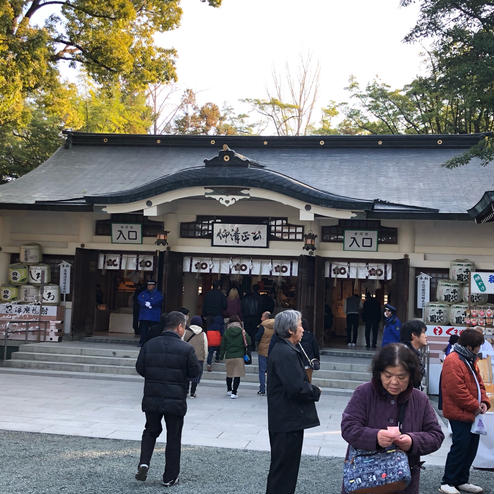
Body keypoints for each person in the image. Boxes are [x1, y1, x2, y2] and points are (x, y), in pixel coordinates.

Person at [341, 343, 444, 494]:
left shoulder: (420, 399)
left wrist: (412, 441)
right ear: (379, 373)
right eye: (388, 376)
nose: (394, 382)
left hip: (402, 484)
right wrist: (375, 437)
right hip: (364, 482)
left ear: (411, 375)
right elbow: (348, 427)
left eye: (401, 377)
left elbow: (436, 435)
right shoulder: (364, 393)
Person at [135, 311, 201, 487]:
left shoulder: (149, 345)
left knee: (150, 430)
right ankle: (169, 476)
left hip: (152, 395)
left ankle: (144, 462)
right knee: (173, 436)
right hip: (175, 398)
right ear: (179, 327)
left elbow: (140, 368)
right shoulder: (186, 349)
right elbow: (195, 372)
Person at [266, 310, 321, 494]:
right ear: (290, 330)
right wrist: (314, 391)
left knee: (285, 469)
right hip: (286, 420)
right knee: (283, 470)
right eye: (299, 325)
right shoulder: (285, 352)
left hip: (286, 419)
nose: (303, 329)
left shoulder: (285, 349)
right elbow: (296, 387)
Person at [439, 329, 490, 494]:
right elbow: (456, 390)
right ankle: (448, 481)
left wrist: (484, 401)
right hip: (459, 412)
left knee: (471, 447)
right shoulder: (453, 360)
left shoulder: (469, 359)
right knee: (460, 446)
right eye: (477, 347)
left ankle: (461, 480)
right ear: (469, 346)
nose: (479, 350)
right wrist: (476, 405)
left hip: (472, 411)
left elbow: (479, 382)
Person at [219, 315, 251, 399]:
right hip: (239, 356)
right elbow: (249, 341)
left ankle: (229, 390)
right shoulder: (242, 331)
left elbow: (223, 345)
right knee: (237, 374)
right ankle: (234, 392)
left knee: (229, 374)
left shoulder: (227, 332)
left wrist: (221, 355)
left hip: (229, 355)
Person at [184, 316, 208, 398]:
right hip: (199, 358)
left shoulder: (185, 332)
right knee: (196, 375)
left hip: (186, 357)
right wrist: (205, 357)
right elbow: (205, 347)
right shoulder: (203, 334)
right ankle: (192, 393)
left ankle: (186, 390)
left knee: (186, 374)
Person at [400, 319, 427, 386]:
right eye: (423, 333)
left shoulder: (412, 353)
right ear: (414, 335)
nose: (426, 336)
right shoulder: (405, 356)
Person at [137, 280, 164, 346]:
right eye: (148, 285)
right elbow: (139, 299)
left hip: (154, 315)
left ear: (154, 286)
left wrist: (150, 303)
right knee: (143, 330)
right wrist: (145, 303)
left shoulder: (158, 294)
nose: (149, 286)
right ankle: (142, 342)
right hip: (144, 315)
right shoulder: (143, 293)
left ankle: (152, 343)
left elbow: (158, 300)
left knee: (153, 330)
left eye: (151, 285)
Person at [255, 311, 274, 395]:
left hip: (263, 350)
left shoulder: (263, 326)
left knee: (262, 371)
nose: (261, 318)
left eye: (262, 316)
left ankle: (262, 389)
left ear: (266, 318)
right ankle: (271, 389)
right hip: (272, 350)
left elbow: (257, 337)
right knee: (272, 371)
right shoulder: (276, 326)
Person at [299, 318, 320, 383]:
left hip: (298, 362)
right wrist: (317, 359)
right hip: (308, 362)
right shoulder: (311, 336)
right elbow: (316, 349)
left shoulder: (296, 337)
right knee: (308, 382)